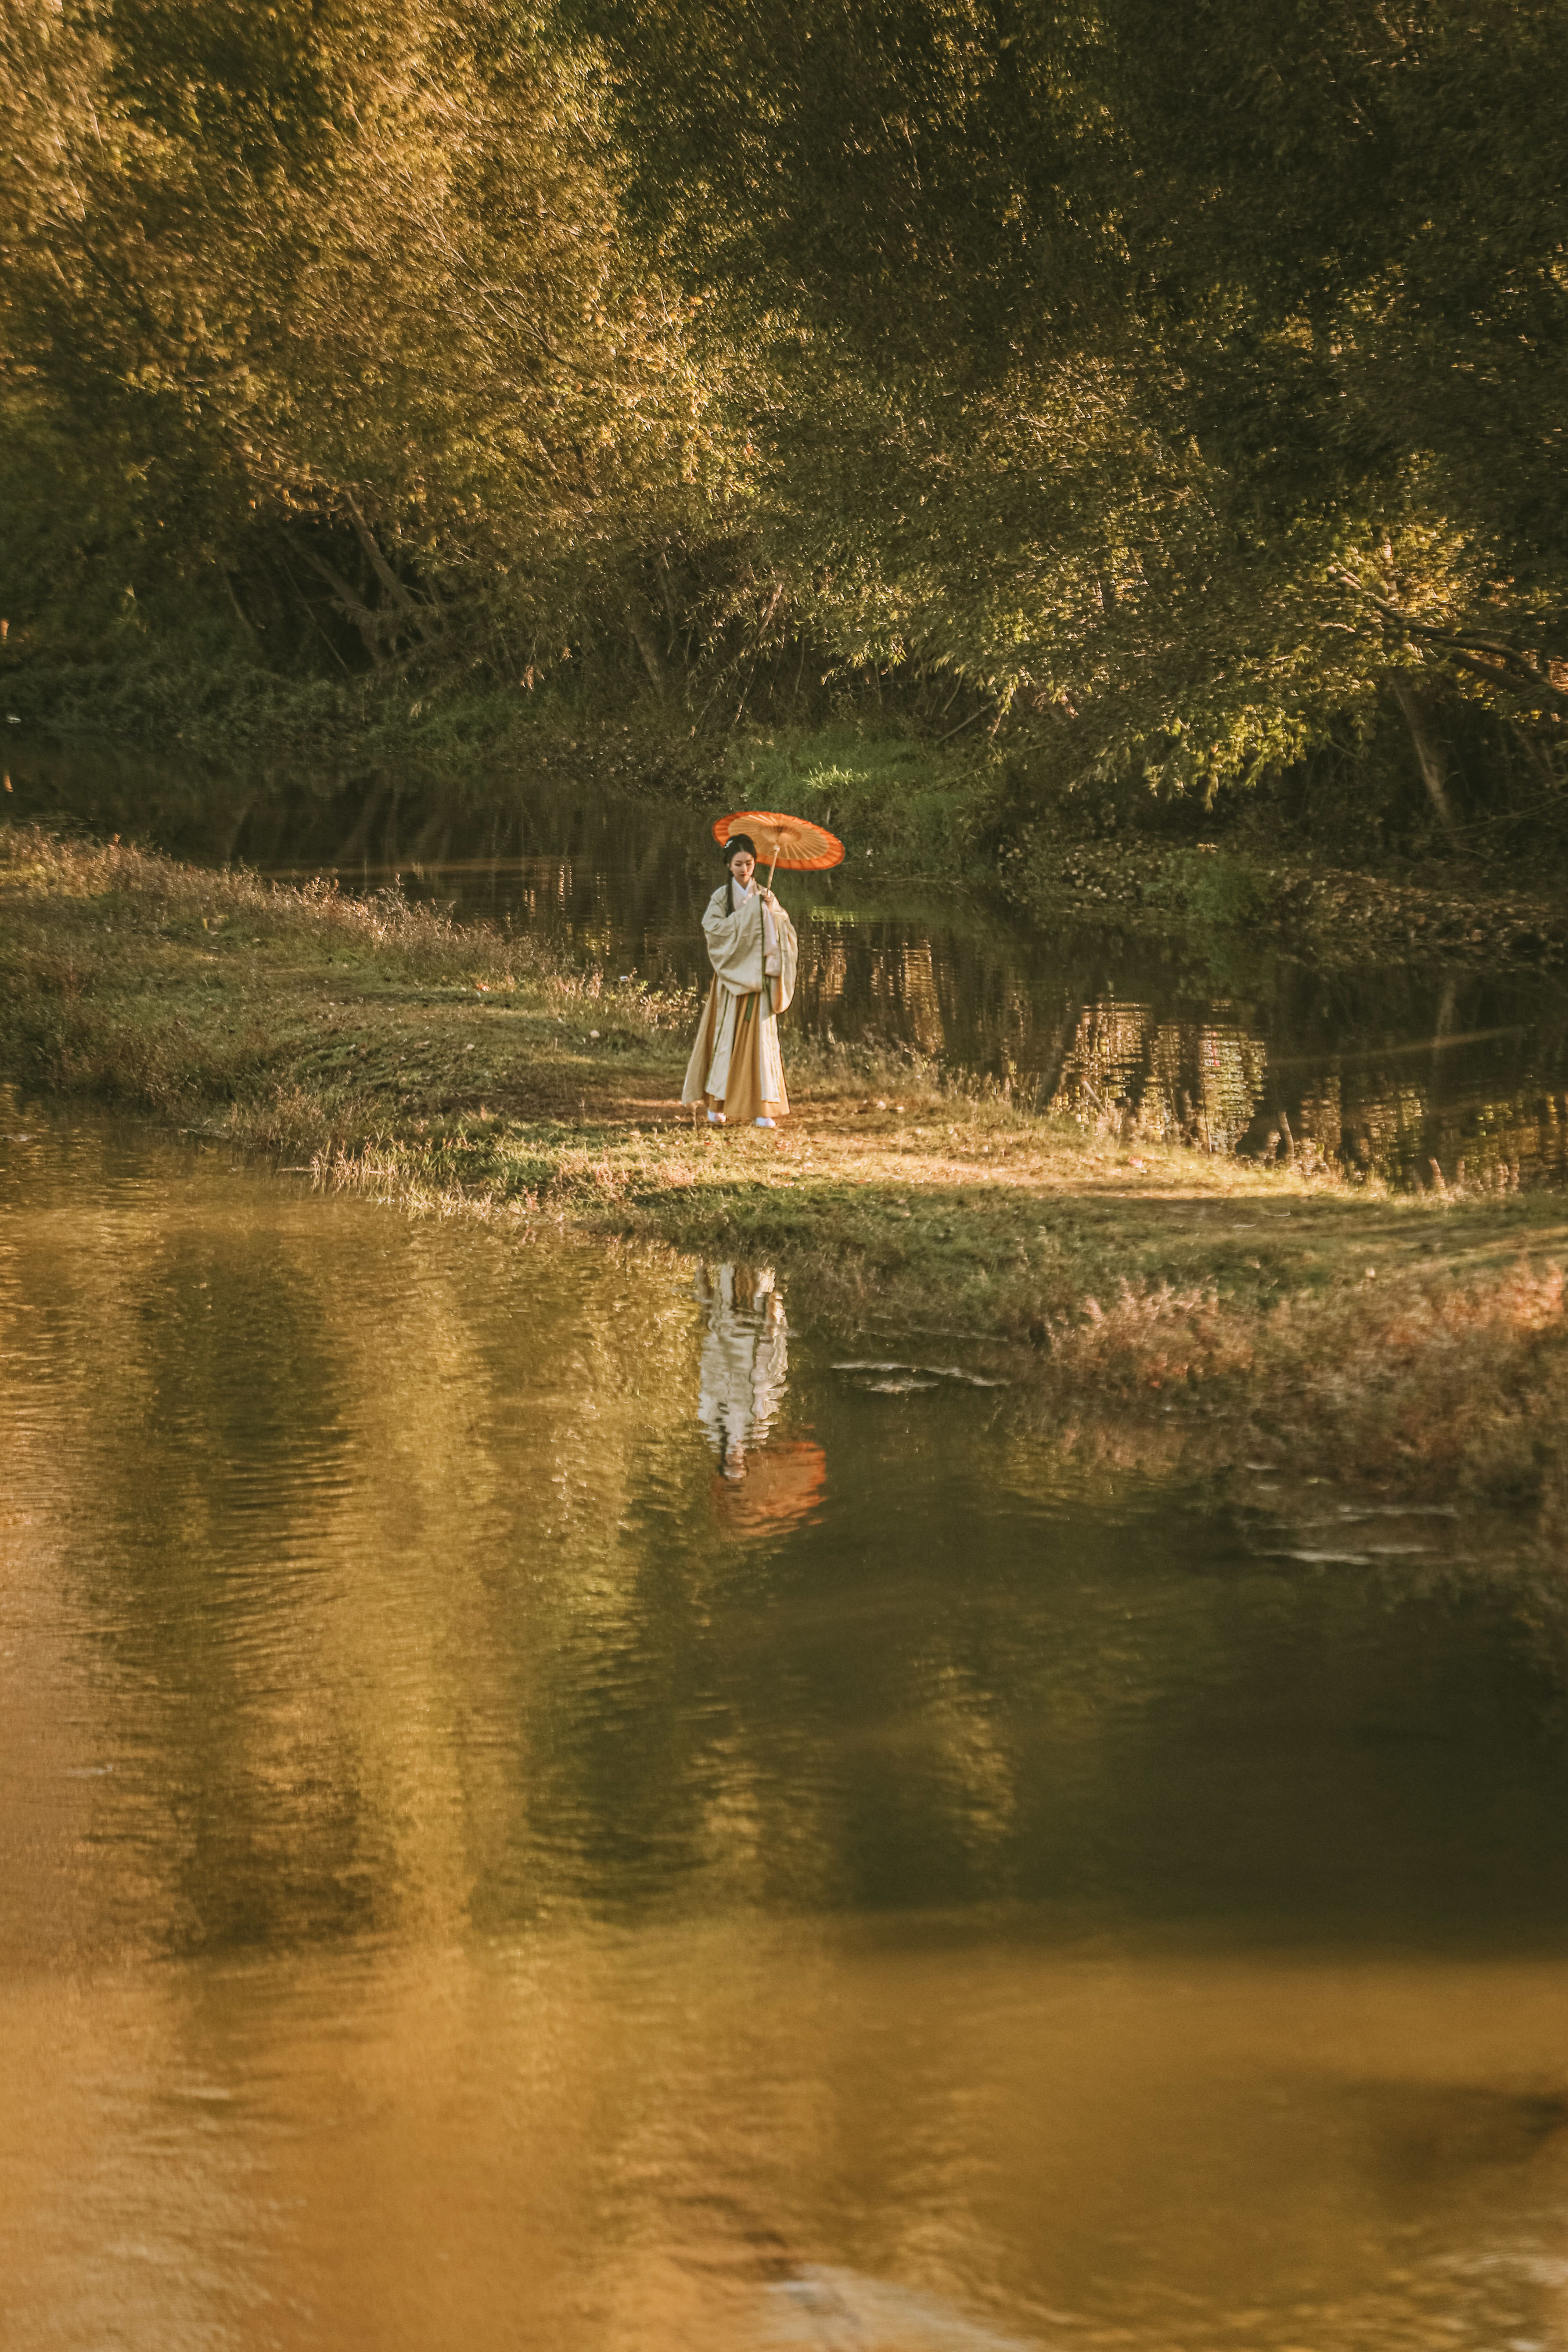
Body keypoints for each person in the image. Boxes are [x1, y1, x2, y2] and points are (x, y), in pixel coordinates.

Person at [681, 833, 799, 1128]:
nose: (744, 870)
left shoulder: (766, 895)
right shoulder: (722, 897)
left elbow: (785, 935)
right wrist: (749, 915)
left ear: (756, 864)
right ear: (728, 866)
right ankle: (717, 1105)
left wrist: (772, 913)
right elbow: (713, 929)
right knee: (724, 1042)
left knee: (760, 1045)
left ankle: (761, 1109)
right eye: (738, 864)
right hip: (731, 982)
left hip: (758, 980)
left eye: (748, 863)